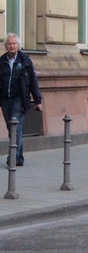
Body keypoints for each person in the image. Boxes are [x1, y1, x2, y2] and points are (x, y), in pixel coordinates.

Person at [1, 33, 42, 166]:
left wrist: (38, 101)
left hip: (20, 99)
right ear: (6, 46)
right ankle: (19, 158)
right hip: (5, 99)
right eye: (9, 44)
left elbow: (33, 82)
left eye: (14, 43)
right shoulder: (1, 61)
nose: (11, 46)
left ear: (18, 45)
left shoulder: (25, 61)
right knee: (11, 128)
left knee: (15, 128)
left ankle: (12, 158)